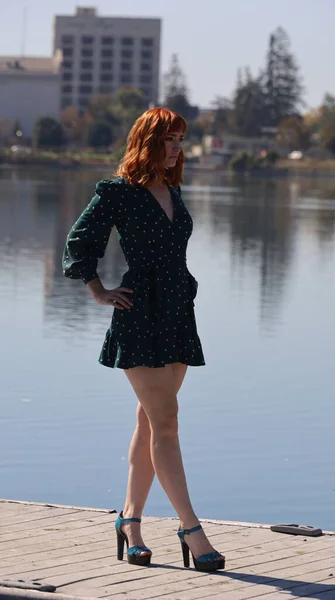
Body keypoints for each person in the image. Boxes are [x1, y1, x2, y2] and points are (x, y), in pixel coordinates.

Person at [62, 107, 225, 572]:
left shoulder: (173, 189)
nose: (176, 147)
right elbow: (80, 242)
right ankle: (191, 528)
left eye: (180, 139)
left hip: (176, 313)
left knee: (152, 421)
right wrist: (99, 291)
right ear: (146, 141)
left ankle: (129, 521)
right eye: (168, 139)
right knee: (167, 421)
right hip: (139, 314)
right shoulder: (117, 192)